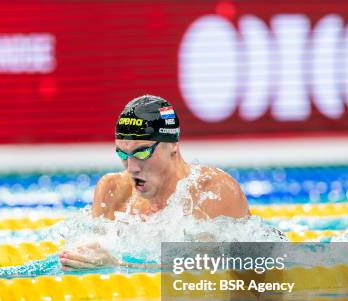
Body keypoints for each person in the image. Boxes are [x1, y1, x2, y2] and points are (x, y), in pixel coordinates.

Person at [59, 94, 250, 270]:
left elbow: (211, 278)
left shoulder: (213, 191)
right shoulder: (113, 190)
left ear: (173, 144)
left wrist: (117, 265)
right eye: (122, 154)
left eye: (142, 152)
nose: (131, 168)